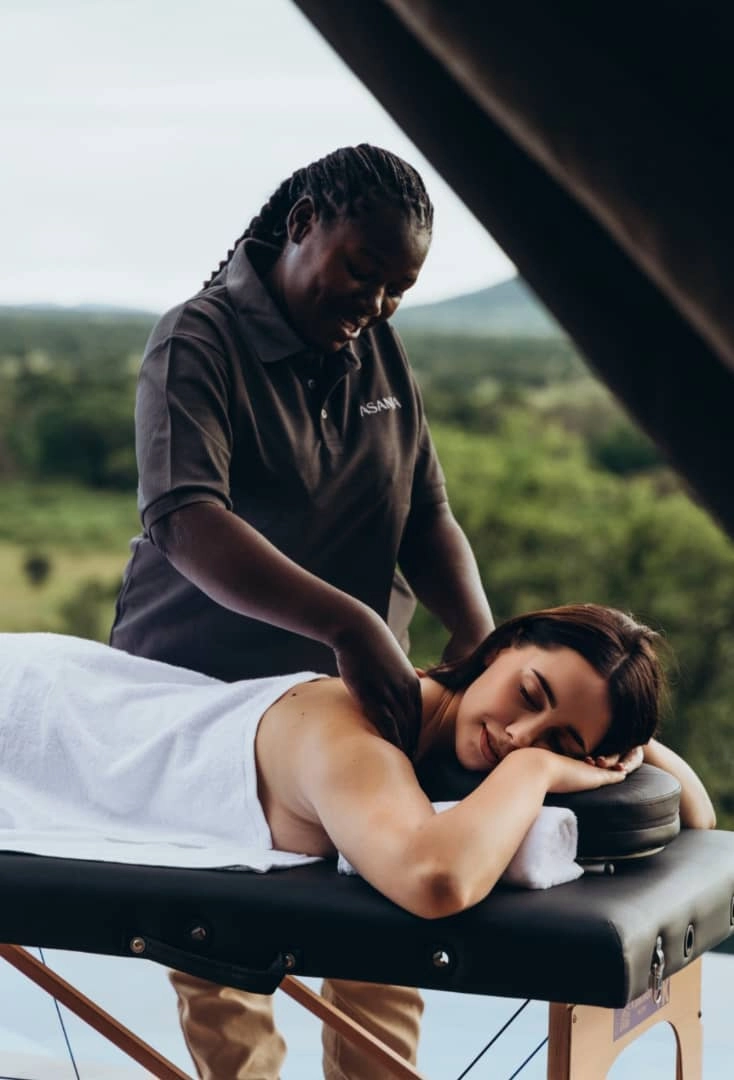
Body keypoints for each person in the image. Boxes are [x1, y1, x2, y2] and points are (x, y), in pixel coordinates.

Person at [109, 142, 495, 1077]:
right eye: (363, 271)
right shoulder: (196, 338)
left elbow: (424, 514)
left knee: (384, 943)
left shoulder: (378, 347)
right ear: (303, 223)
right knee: (225, 963)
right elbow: (186, 518)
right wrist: (350, 624)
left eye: (398, 289)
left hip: (354, 711)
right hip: (208, 707)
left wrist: (481, 636)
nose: (376, 303)